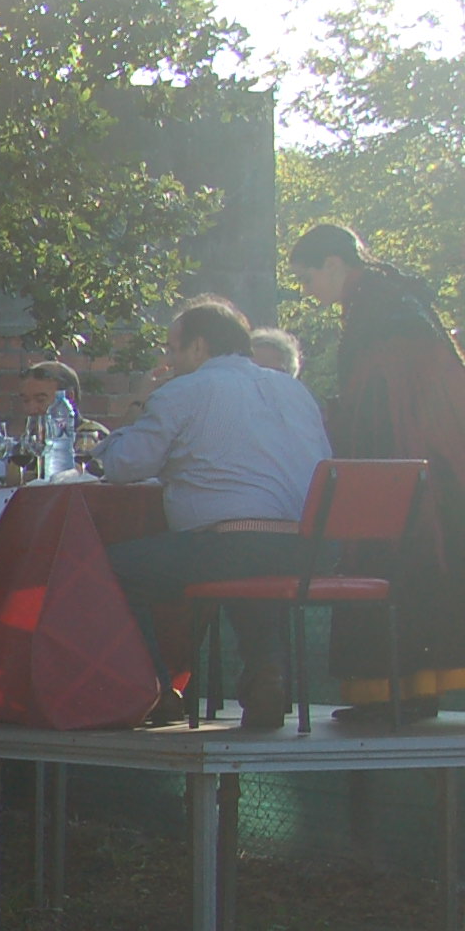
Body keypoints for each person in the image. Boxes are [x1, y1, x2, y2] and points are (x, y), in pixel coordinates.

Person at [97, 297, 332, 730]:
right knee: (245, 561)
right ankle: (267, 675)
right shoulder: (294, 389)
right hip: (304, 549)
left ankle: (156, 689)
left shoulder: (183, 391)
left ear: (199, 347)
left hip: (229, 544)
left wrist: (136, 406)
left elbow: (123, 466)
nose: (169, 359)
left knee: (108, 568)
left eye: (172, 348)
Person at [291, 222, 465, 711]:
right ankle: (410, 689)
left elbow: (388, 394)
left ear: (334, 264)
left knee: (394, 557)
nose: (307, 291)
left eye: (308, 278)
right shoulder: (391, 296)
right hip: (432, 462)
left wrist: (350, 432)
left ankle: (395, 691)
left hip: (400, 462)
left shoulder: (378, 308)